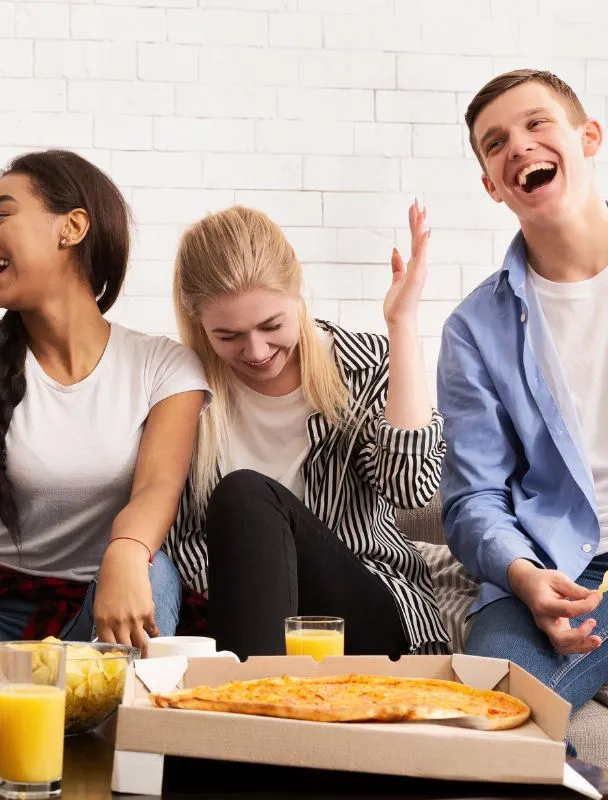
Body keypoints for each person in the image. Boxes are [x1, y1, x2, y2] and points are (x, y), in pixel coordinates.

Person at [0, 149, 209, 655]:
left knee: (152, 570)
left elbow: (158, 487)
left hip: (106, 591)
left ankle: (114, 720)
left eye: (1, 216)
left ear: (72, 227)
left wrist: (125, 550)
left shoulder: (163, 366)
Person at [165, 203, 450, 658]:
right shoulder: (183, 392)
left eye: (271, 325)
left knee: (244, 493)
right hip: (243, 615)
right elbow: (183, 544)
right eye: (228, 336)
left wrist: (402, 326)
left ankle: (249, 710)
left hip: (361, 611)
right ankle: (260, 707)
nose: (256, 351)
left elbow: (410, 489)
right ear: (199, 325)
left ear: (297, 294)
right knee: (242, 507)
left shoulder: (361, 365)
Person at [439, 69, 608, 722]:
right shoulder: (474, 329)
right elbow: (473, 498)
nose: (519, 145)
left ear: (587, 137)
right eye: (496, 142)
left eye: (538, 123)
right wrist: (523, 577)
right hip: (561, 572)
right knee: (488, 721)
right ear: (491, 184)